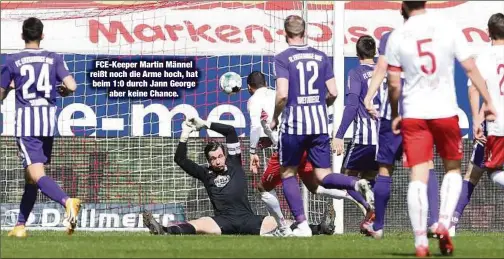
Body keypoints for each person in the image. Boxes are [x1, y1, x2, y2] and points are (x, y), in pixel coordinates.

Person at [385, 1, 496, 256]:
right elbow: (469, 67)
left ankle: (421, 241)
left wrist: (394, 112)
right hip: (445, 111)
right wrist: (488, 101)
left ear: (403, 6)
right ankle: (444, 222)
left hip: (413, 113)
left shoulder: (398, 35)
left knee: (418, 175)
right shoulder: (447, 27)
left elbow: (393, 83)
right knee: (454, 169)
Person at [269, 14, 374, 237]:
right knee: (323, 175)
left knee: (288, 173)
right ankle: (355, 184)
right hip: (319, 124)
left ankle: (303, 226)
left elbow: (282, 95)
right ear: (305, 32)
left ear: (285, 34)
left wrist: (275, 117)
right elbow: (334, 92)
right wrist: (319, 105)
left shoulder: (282, 58)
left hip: (294, 125)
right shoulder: (321, 56)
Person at [142, 118, 335, 236]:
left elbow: (230, 131)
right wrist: (185, 134)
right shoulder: (204, 173)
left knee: (281, 224)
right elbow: (180, 159)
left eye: (219, 156)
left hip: (247, 219)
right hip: (222, 221)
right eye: (213, 159)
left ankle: (321, 228)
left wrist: (205, 124)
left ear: (225, 155)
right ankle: (164, 231)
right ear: (208, 162)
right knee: (197, 224)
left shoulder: (234, 162)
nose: (217, 161)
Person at [246, 71, 367, 236]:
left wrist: (252, 151)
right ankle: (352, 195)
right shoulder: (277, 94)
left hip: (286, 148)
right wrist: (271, 140)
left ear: (249, 87)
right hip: (302, 144)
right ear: (266, 84)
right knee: (314, 187)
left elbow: (255, 127)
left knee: (263, 188)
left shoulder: (253, 100)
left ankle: (283, 229)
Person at [361, 12, 440, 239]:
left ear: (403, 12)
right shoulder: (430, 40)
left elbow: (382, 69)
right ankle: (434, 221)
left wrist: (368, 96)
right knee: (426, 164)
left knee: (385, 168)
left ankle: (379, 227)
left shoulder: (391, 37)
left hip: (392, 113)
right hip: (420, 111)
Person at [0, 17, 80, 237]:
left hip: (27, 124)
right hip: (47, 124)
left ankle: (67, 201)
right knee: (31, 176)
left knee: (36, 174)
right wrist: (63, 89)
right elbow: (72, 85)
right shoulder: (53, 57)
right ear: (42, 35)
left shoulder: (12, 60)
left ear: (22, 35)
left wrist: (8, 90)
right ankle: (20, 226)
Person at [451, 12, 504, 236]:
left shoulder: (485, 57)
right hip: (495, 122)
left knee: (475, 174)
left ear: (488, 32)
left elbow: (474, 88)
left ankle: (451, 224)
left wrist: (476, 119)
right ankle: (451, 223)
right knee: (482, 172)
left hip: (496, 126)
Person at [333, 35, 388, 233]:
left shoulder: (356, 73)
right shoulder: (385, 73)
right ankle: (371, 223)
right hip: (383, 139)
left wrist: (339, 135)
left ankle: (369, 208)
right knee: (369, 179)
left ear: (357, 54)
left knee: (343, 179)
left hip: (363, 139)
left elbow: (352, 106)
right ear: (375, 53)